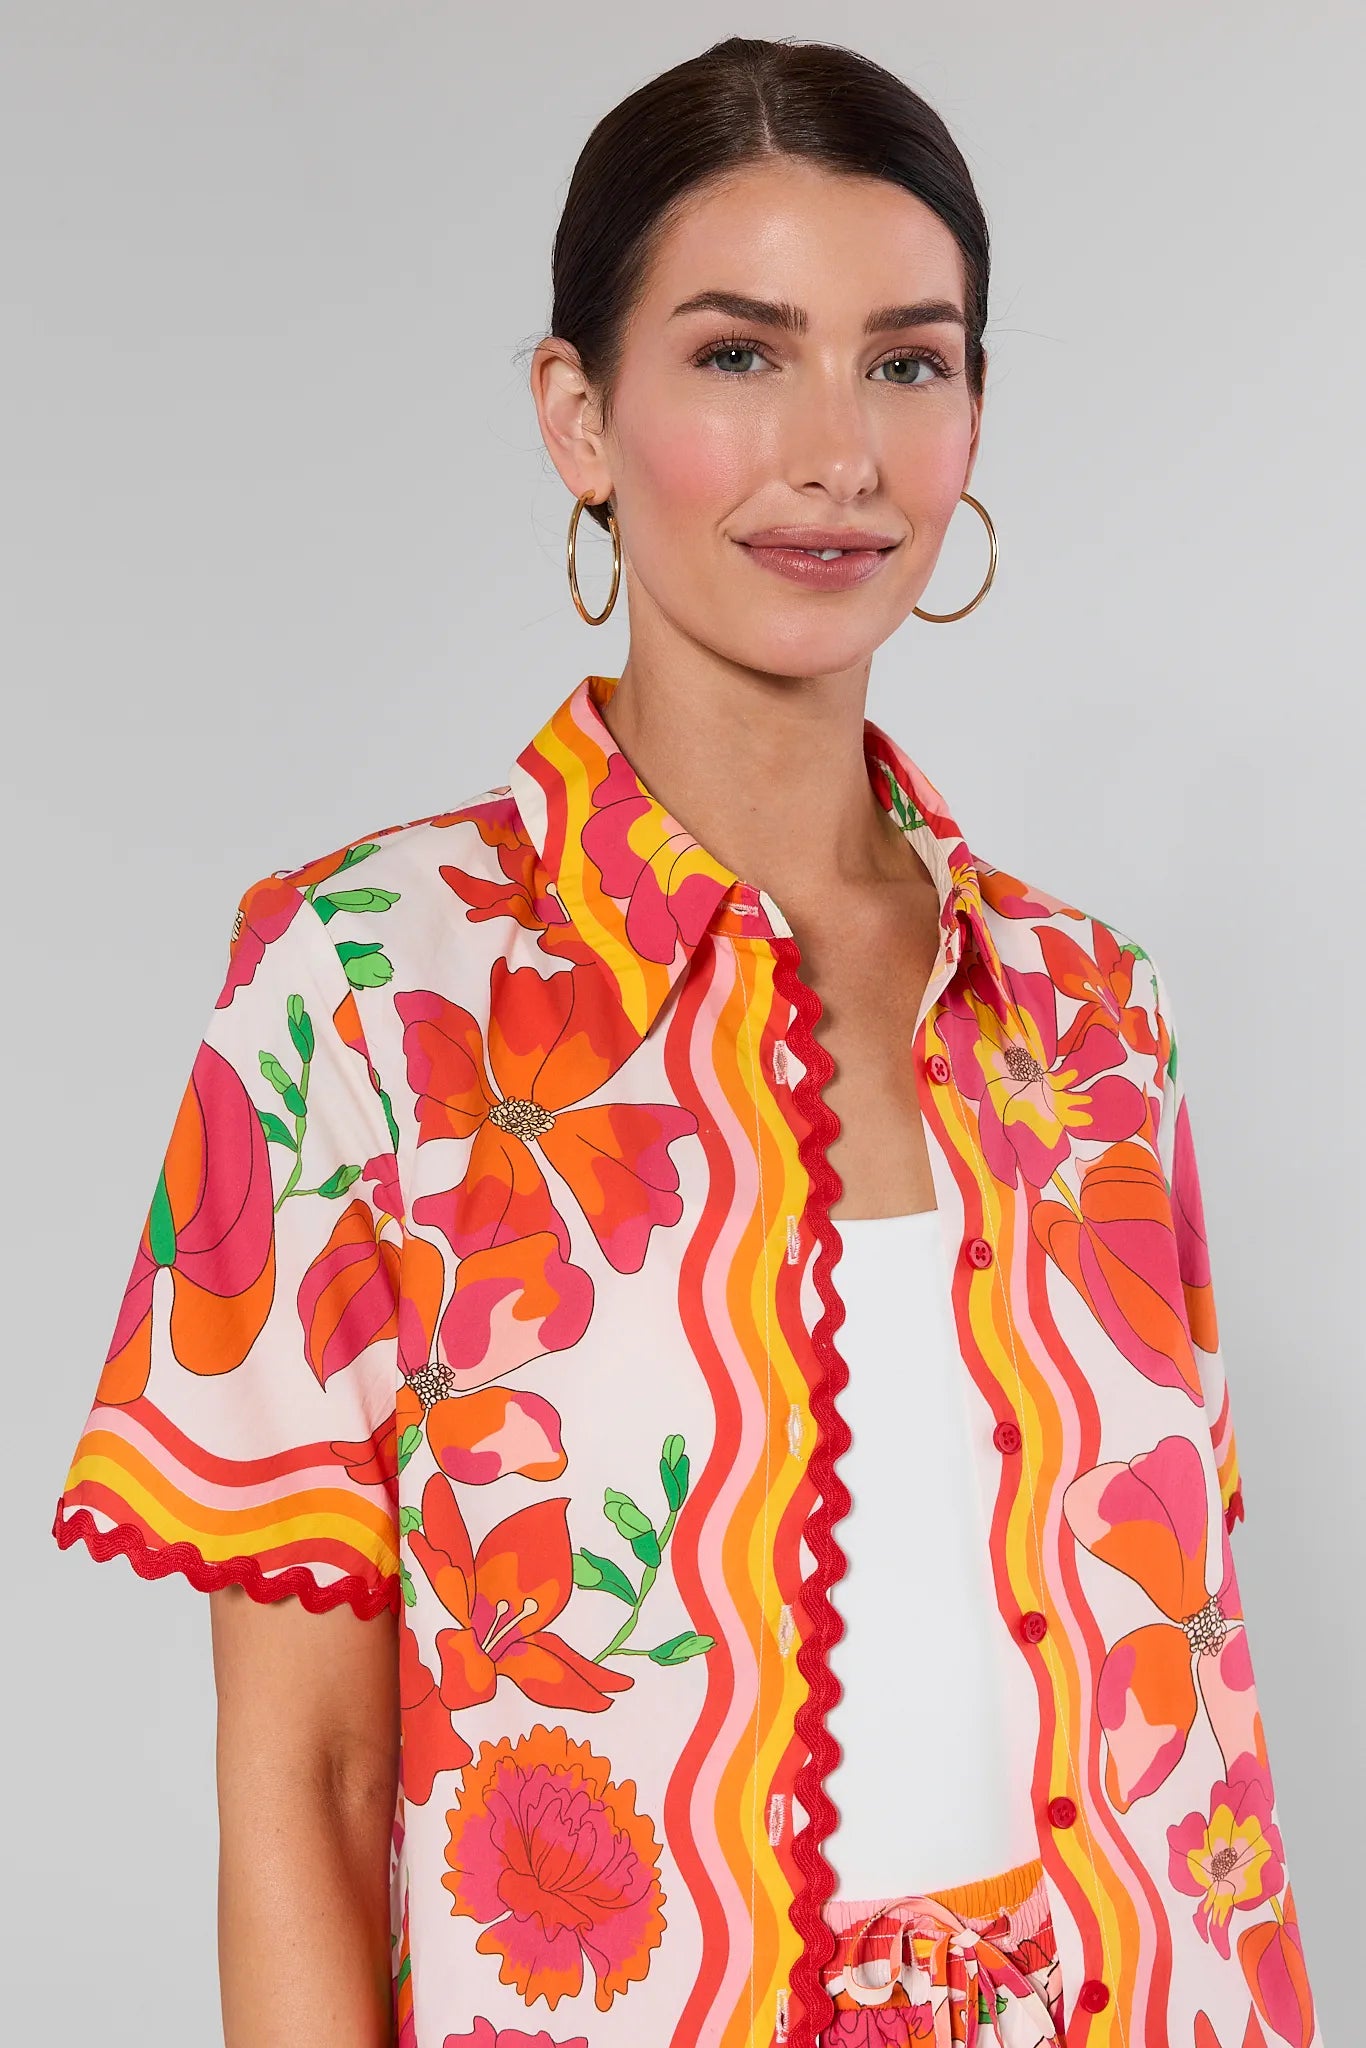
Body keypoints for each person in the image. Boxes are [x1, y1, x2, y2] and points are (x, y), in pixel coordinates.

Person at [51, 34, 1324, 2048]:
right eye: (741, 354)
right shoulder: (367, 986)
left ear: (974, 412)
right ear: (579, 415)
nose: (838, 451)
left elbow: (1195, 1729)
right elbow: (312, 1777)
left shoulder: (1094, 1016)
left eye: (906, 363)